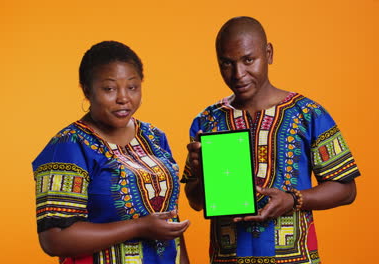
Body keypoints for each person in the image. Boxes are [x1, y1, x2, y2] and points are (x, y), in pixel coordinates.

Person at [182, 17, 361, 263]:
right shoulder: (207, 121)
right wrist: (205, 177)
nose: (238, 74)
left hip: (295, 258)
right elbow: (195, 201)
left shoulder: (307, 113)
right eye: (227, 63)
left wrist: (294, 199)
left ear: (268, 53)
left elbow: (346, 189)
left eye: (248, 60)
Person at [33, 41, 190, 264]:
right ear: (87, 90)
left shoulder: (154, 137)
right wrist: (139, 227)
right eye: (109, 89)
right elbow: (54, 239)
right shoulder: (69, 146)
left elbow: (170, 218)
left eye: (132, 87)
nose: (123, 98)